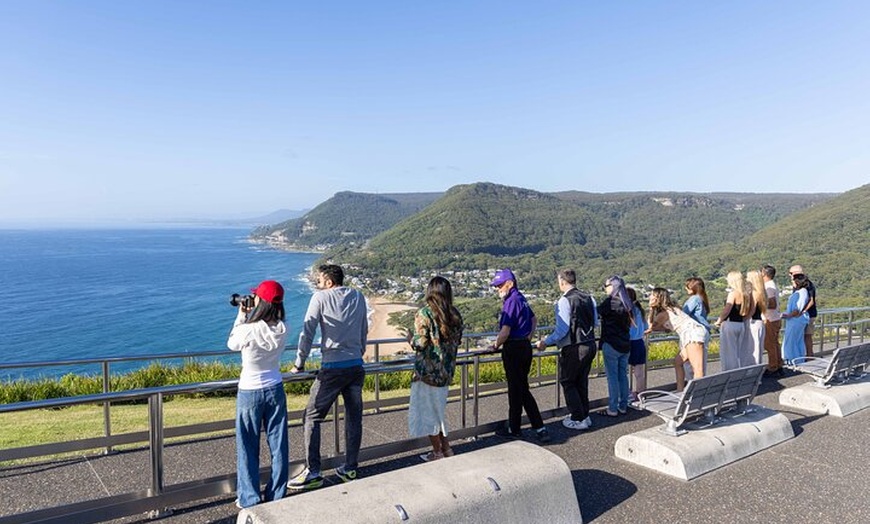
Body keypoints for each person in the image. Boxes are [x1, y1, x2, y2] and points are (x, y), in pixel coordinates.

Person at [288, 264, 368, 490]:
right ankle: (350, 467)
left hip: (332, 367)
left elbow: (308, 331)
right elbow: (364, 327)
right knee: (354, 418)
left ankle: (314, 471)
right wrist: (359, 351)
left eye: (320, 281)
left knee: (311, 417)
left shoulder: (320, 298)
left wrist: (299, 363)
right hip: (355, 366)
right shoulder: (358, 296)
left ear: (329, 282)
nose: (318, 284)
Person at [227, 280, 289, 509]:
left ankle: (250, 497)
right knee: (278, 443)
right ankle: (277, 494)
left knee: (247, 446)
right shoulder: (283, 328)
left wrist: (242, 314)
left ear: (260, 302)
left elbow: (232, 342)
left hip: (250, 391)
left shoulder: (249, 329)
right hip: (275, 387)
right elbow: (270, 322)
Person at [489, 269, 550, 443]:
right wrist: (528, 337)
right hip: (524, 346)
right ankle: (514, 428)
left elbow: (505, 331)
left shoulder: (511, 301)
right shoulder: (521, 299)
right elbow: (534, 319)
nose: (497, 289)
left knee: (520, 389)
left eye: (500, 285)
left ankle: (539, 427)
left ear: (510, 283)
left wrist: (495, 345)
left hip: (514, 348)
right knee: (517, 389)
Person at [408, 276, 464, 461]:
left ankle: (437, 452)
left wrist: (409, 338)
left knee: (428, 414)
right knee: (438, 412)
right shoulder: (455, 314)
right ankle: (446, 449)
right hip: (446, 372)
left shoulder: (425, 313)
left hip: (427, 372)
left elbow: (421, 343)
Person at [537, 269, 597, 431]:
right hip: (590, 343)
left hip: (573, 346)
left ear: (562, 281)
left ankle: (578, 418)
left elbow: (562, 330)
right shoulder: (589, 298)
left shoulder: (564, 301)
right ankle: (585, 415)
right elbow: (596, 322)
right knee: (581, 381)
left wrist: (545, 342)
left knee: (568, 381)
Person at [646, 287, 708, 392]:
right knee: (678, 362)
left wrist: (651, 309)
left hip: (692, 334)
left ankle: (698, 396)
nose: (650, 297)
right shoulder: (671, 309)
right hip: (693, 332)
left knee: (697, 369)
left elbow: (651, 326)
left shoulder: (663, 314)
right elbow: (664, 327)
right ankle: (680, 391)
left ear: (658, 298)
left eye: (652, 295)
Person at [598, 275, 633, 417]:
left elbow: (595, 313)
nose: (605, 289)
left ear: (613, 286)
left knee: (612, 377)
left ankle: (612, 408)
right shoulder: (627, 303)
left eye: (605, 286)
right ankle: (623, 405)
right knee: (622, 376)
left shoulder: (610, 302)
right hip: (625, 344)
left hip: (611, 343)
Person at [713, 271, 752, 371]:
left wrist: (719, 320)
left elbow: (727, 309)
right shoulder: (746, 294)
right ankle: (738, 371)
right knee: (737, 352)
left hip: (730, 325)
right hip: (740, 324)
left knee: (728, 352)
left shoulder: (733, 293)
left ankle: (730, 373)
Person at [682, 277, 711, 376]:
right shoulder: (702, 298)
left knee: (691, 365)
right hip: (704, 331)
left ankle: (694, 385)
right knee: (700, 362)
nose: (686, 289)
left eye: (688, 287)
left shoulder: (694, 299)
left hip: (695, 332)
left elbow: (684, 314)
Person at [782, 273, 810, 364]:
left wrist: (787, 315)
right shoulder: (803, 292)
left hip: (795, 321)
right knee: (798, 341)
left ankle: (791, 361)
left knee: (791, 342)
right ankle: (798, 360)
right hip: (799, 320)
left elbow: (797, 309)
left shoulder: (801, 293)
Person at [789, 265, 817, 357]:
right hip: (801, 315)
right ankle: (802, 355)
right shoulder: (797, 285)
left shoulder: (807, 284)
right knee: (802, 336)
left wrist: (803, 311)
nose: (790, 276)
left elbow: (811, 301)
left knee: (807, 336)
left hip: (808, 314)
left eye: (791, 273)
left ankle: (809, 355)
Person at [626, 287, 648, 403]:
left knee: (623, 370)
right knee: (639, 373)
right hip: (640, 342)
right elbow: (646, 327)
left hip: (630, 342)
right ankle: (641, 394)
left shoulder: (629, 311)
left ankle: (627, 394)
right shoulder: (640, 310)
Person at [761, 265, 784, 376]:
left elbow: (772, 304)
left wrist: (760, 305)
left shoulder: (768, 287)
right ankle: (778, 364)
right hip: (776, 317)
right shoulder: (773, 285)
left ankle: (773, 366)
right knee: (775, 343)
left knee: (770, 344)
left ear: (765, 274)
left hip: (769, 318)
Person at [746, 270, 767, 365]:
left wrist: (744, 319)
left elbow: (752, 310)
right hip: (759, 322)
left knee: (752, 350)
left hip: (753, 323)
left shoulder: (754, 293)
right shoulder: (762, 292)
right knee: (758, 349)